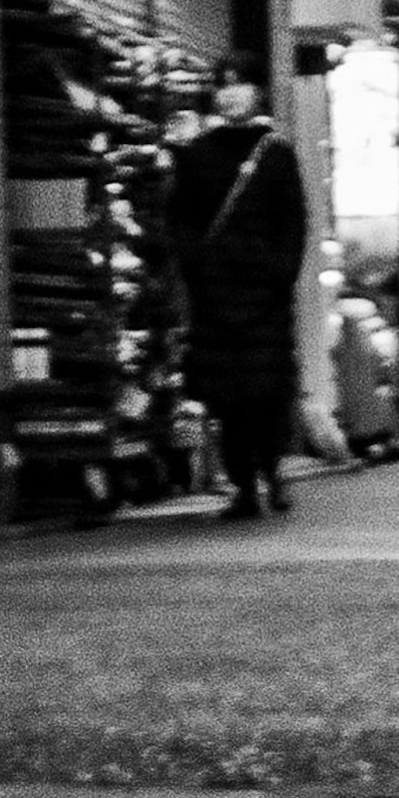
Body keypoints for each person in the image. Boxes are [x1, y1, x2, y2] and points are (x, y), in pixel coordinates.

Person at [165, 56, 308, 520]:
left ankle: (272, 471)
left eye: (240, 84)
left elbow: (293, 221)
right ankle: (244, 484)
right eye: (222, 86)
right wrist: (197, 268)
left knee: (269, 390)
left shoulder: (276, 152)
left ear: (257, 93)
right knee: (228, 398)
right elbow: (180, 219)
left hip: (265, 294)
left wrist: (281, 272)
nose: (231, 93)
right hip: (216, 294)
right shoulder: (198, 153)